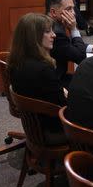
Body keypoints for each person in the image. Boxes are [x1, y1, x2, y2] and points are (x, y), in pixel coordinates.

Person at [8, 12, 66, 145]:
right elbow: (64, 108)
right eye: (47, 31)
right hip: (53, 131)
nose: (54, 35)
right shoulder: (43, 69)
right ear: (33, 38)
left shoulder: (16, 60)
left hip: (34, 126)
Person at [45, 0, 93, 87]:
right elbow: (80, 57)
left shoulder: (51, 24)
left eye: (73, 8)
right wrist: (74, 29)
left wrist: (92, 48)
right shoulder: (56, 33)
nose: (74, 13)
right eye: (68, 9)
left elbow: (70, 46)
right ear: (53, 12)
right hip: (56, 82)